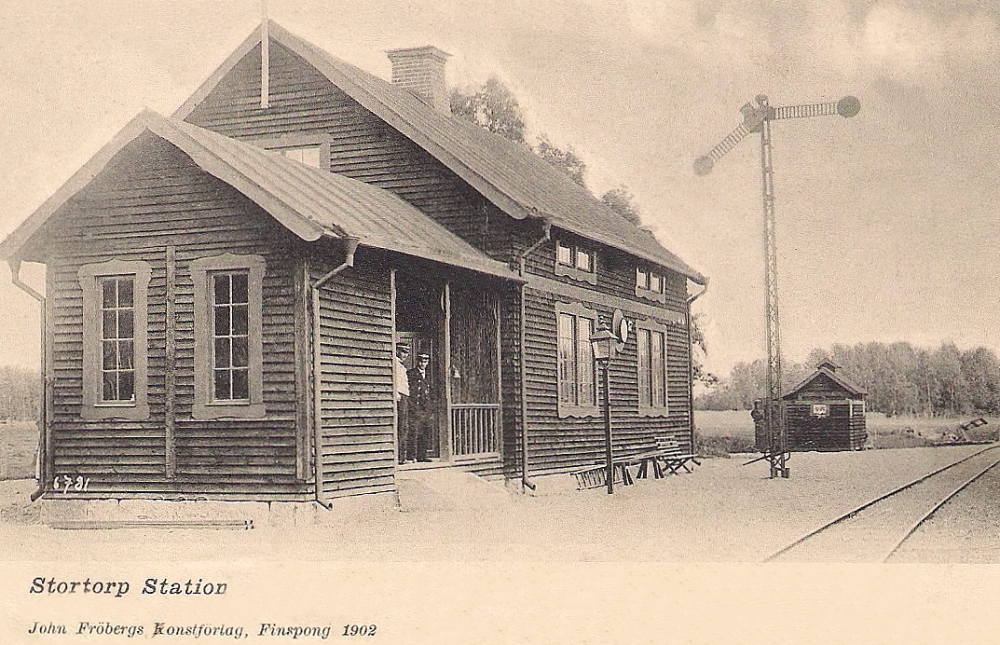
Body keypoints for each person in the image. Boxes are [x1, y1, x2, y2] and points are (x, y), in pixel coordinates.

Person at [406, 352, 434, 462]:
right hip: (415, 407)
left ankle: (422, 456)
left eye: (425, 361)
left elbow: (431, 392)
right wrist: (412, 406)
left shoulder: (429, 375)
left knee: (425, 432)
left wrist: (430, 406)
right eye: (421, 361)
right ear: (417, 362)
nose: (423, 363)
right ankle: (411, 456)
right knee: (413, 432)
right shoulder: (411, 374)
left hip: (425, 408)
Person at [394, 342, 410, 464]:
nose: (405, 355)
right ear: (397, 351)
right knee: (401, 426)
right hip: (399, 396)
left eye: (407, 352)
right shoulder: (395, 364)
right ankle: (400, 457)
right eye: (403, 351)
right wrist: (396, 393)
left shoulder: (401, 365)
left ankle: (402, 457)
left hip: (404, 396)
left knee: (404, 426)